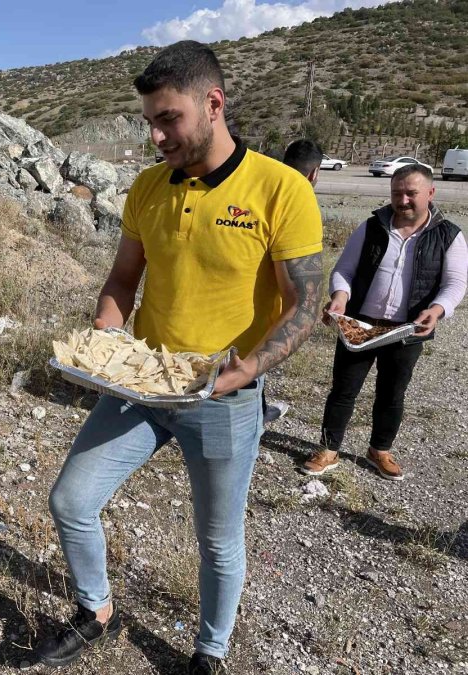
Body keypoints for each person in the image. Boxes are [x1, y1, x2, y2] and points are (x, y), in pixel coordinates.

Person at [37, 41, 323, 674]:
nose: (157, 136)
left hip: (222, 395)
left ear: (212, 104)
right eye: (150, 122)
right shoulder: (147, 189)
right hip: (141, 385)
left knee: (218, 541)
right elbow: (121, 281)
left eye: (168, 120)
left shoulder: (279, 190)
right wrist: (104, 341)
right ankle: (95, 612)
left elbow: (306, 303)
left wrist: (244, 373)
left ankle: (209, 652)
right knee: (71, 500)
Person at [301, 164, 466, 480]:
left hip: (407, 329)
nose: (402, 200)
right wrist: (340, 296)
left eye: (411, 194)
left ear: (430, 193)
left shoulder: (449, 235)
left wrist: (438, 309)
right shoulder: (371, 227)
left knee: (392, 393)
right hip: (360, 324)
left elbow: (456, 282)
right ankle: (328, 448)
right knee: (343, 389)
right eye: (396, 193)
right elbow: (344, 270)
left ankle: (380, 450)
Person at [260, 139, 326, 423]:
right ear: (314, 173)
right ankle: (258, 417)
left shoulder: (263, 187)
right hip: (270, 311)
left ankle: (259, 411)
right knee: (253, 366)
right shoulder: (300, 198)